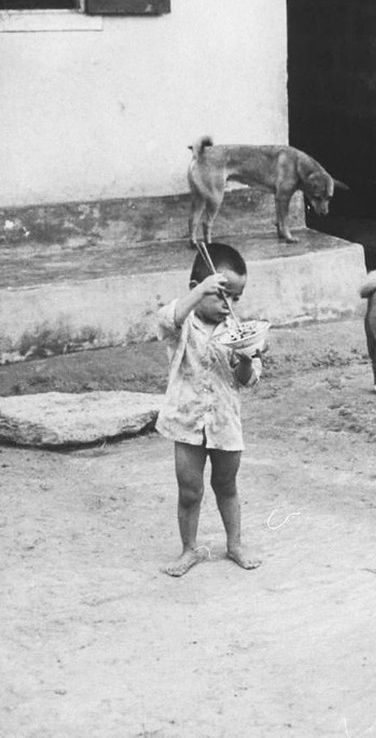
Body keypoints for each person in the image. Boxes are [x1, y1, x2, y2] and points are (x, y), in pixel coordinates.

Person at [154, 243, 264, 577]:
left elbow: (248, 379)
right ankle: (189, 549)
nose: (229, 306)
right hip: (186, 421)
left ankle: (235, 544)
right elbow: (165, 319)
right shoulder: (184, 325)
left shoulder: (238, 331)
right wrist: (202, 288)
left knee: (226, 485)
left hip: (225, 423)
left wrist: (246, 358)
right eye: (222, 295)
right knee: (189, 489)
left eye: (236, 299)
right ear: (197, 290)